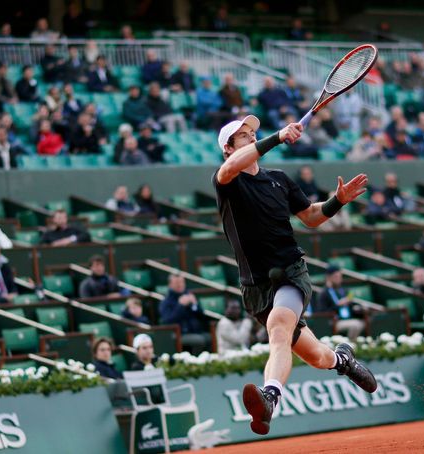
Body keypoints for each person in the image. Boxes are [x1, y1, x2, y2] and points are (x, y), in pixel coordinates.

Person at [212, 115, 376, 435]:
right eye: (243, 137)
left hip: (290, 272)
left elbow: (311, 218)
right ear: (228, 150)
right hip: (255, 287)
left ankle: (270, 397)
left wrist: (337, 201)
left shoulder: (279, 179)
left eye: (252, 134)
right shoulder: (226, 180)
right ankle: (344, 360)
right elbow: (230, 169)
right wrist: (277, 137)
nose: (250, 138)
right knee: (317, 357)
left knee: (278, 327)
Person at [159, 274, 210, 354]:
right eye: (176, 282)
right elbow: (167, 321)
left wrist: (194, 305)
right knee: (199, 340)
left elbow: (202, 317)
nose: (180, 285)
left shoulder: (189, 296)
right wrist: (180, 306)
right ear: (170, 285)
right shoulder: (166, 302)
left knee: (209, 337)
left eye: (182, 282)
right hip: (179, 333)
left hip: (196, 331)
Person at [314, 265, 365, 340]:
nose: (339, 279)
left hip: (347, 318)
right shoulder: (324, 293)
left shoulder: (342, 290)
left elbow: (349, 305)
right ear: (328, 277)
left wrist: (355, 305)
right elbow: (322, 312)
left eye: (340, 277)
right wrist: (338, 305)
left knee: (363, 322)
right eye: (336, 277)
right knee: (356, 325)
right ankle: (348, 346)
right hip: (334, 321)